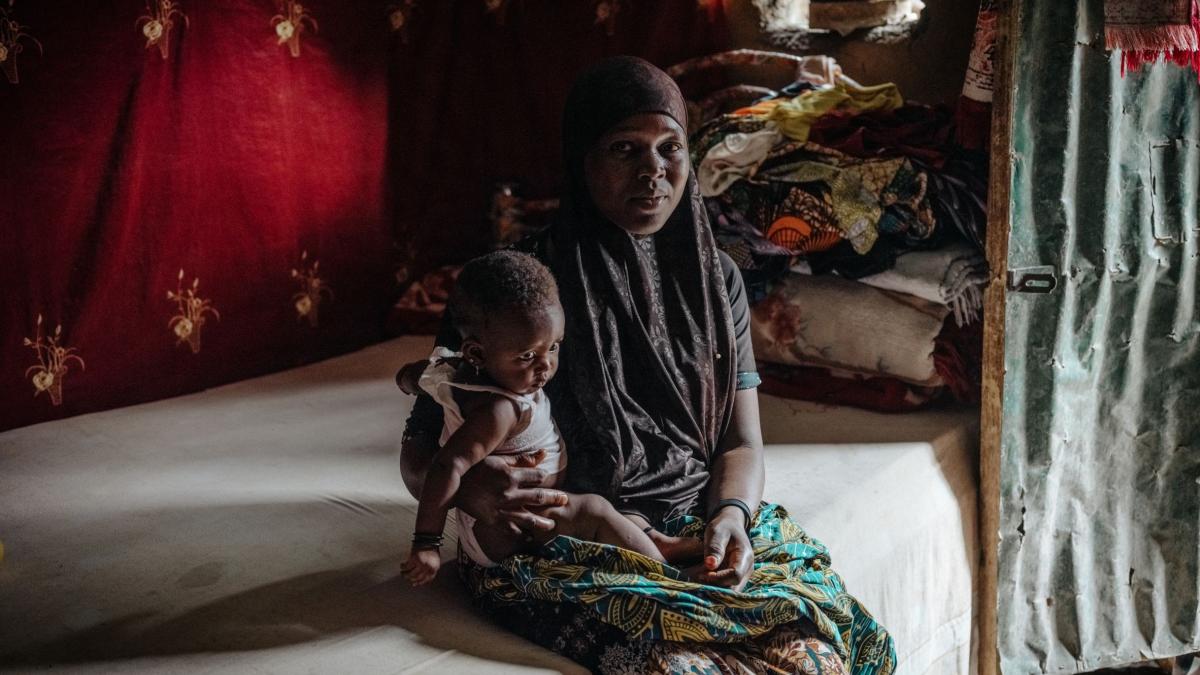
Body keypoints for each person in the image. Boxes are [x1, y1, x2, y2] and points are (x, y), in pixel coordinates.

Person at [399, 56, 896, 674]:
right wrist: (473, 491)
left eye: (670, 147)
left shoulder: (719, 283)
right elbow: (421, 454)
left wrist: (732, 518)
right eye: (624, 148)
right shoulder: (515, 291)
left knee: (824, 649)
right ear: (582, 161)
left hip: (696, 516)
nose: (653, 171)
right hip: (564, 537)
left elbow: (741, 442)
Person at [400, 250, 701, 585]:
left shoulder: (456, 370)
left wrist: (409, 380)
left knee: (600, 512)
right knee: (594, 510)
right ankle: (670, 576)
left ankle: (648, 543)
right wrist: (427, 544)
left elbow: (413, 375)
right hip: (508, 526)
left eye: (554, 347)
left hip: (518, 517)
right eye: (528, 355)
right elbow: (446, 465)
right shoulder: (501, 409)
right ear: (477, 353)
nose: (545, 366)